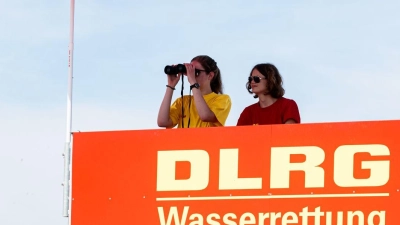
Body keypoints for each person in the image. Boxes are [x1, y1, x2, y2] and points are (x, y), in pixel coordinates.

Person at [157, 55, 232, 128]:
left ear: (210, 75)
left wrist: (193, 82)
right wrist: (170, 86)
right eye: (189, 71)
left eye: (196, 72)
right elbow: (162, 122)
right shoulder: (183, 101)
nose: (191, 75)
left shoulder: (222, 99)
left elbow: (205, 116)